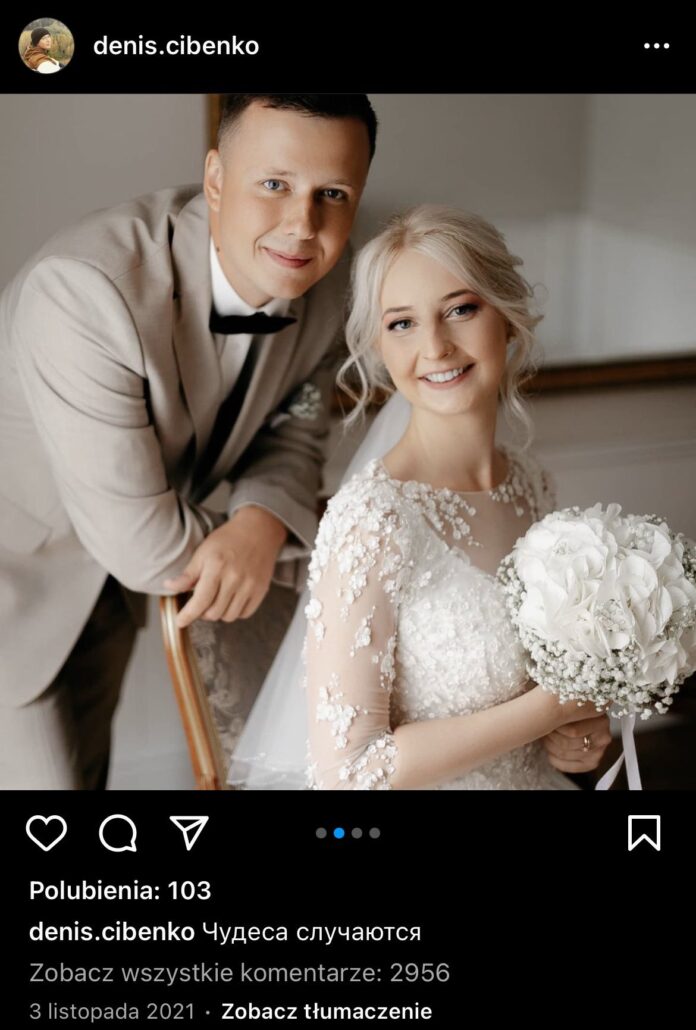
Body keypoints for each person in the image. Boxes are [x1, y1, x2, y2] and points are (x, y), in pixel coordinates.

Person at [0, 93, 376, 789]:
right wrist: (273, 548)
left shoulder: (332, 292)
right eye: (275, 184)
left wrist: (262, 522)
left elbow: (296, 424)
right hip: (15, 580)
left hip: (111, 597)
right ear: (215, 179)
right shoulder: (83, 291)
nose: (303, 225)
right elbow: (142, 545)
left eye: (333, 193)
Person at [229, 205, 612, 790]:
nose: (435, 347)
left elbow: (555, 697)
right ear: (379, 346)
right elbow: (348, 772)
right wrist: (548, 711)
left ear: (506, 319)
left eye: (460, 310)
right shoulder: (374, 520)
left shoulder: (533, 484)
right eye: (402, 323)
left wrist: (579, 733)